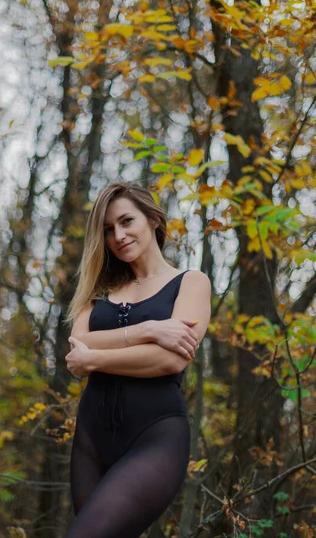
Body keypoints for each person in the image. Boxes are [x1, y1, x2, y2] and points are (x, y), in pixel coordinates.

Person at [64, 181, 211, 538]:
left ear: (153, 219)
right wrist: (149, 330)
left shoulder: (190, 282)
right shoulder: (98, 289)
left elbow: (169, 361)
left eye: (127, 221)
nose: (118, 235)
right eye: (108, 229)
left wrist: (95, 359)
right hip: (90, 442)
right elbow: (77, 345)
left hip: (155, 438)